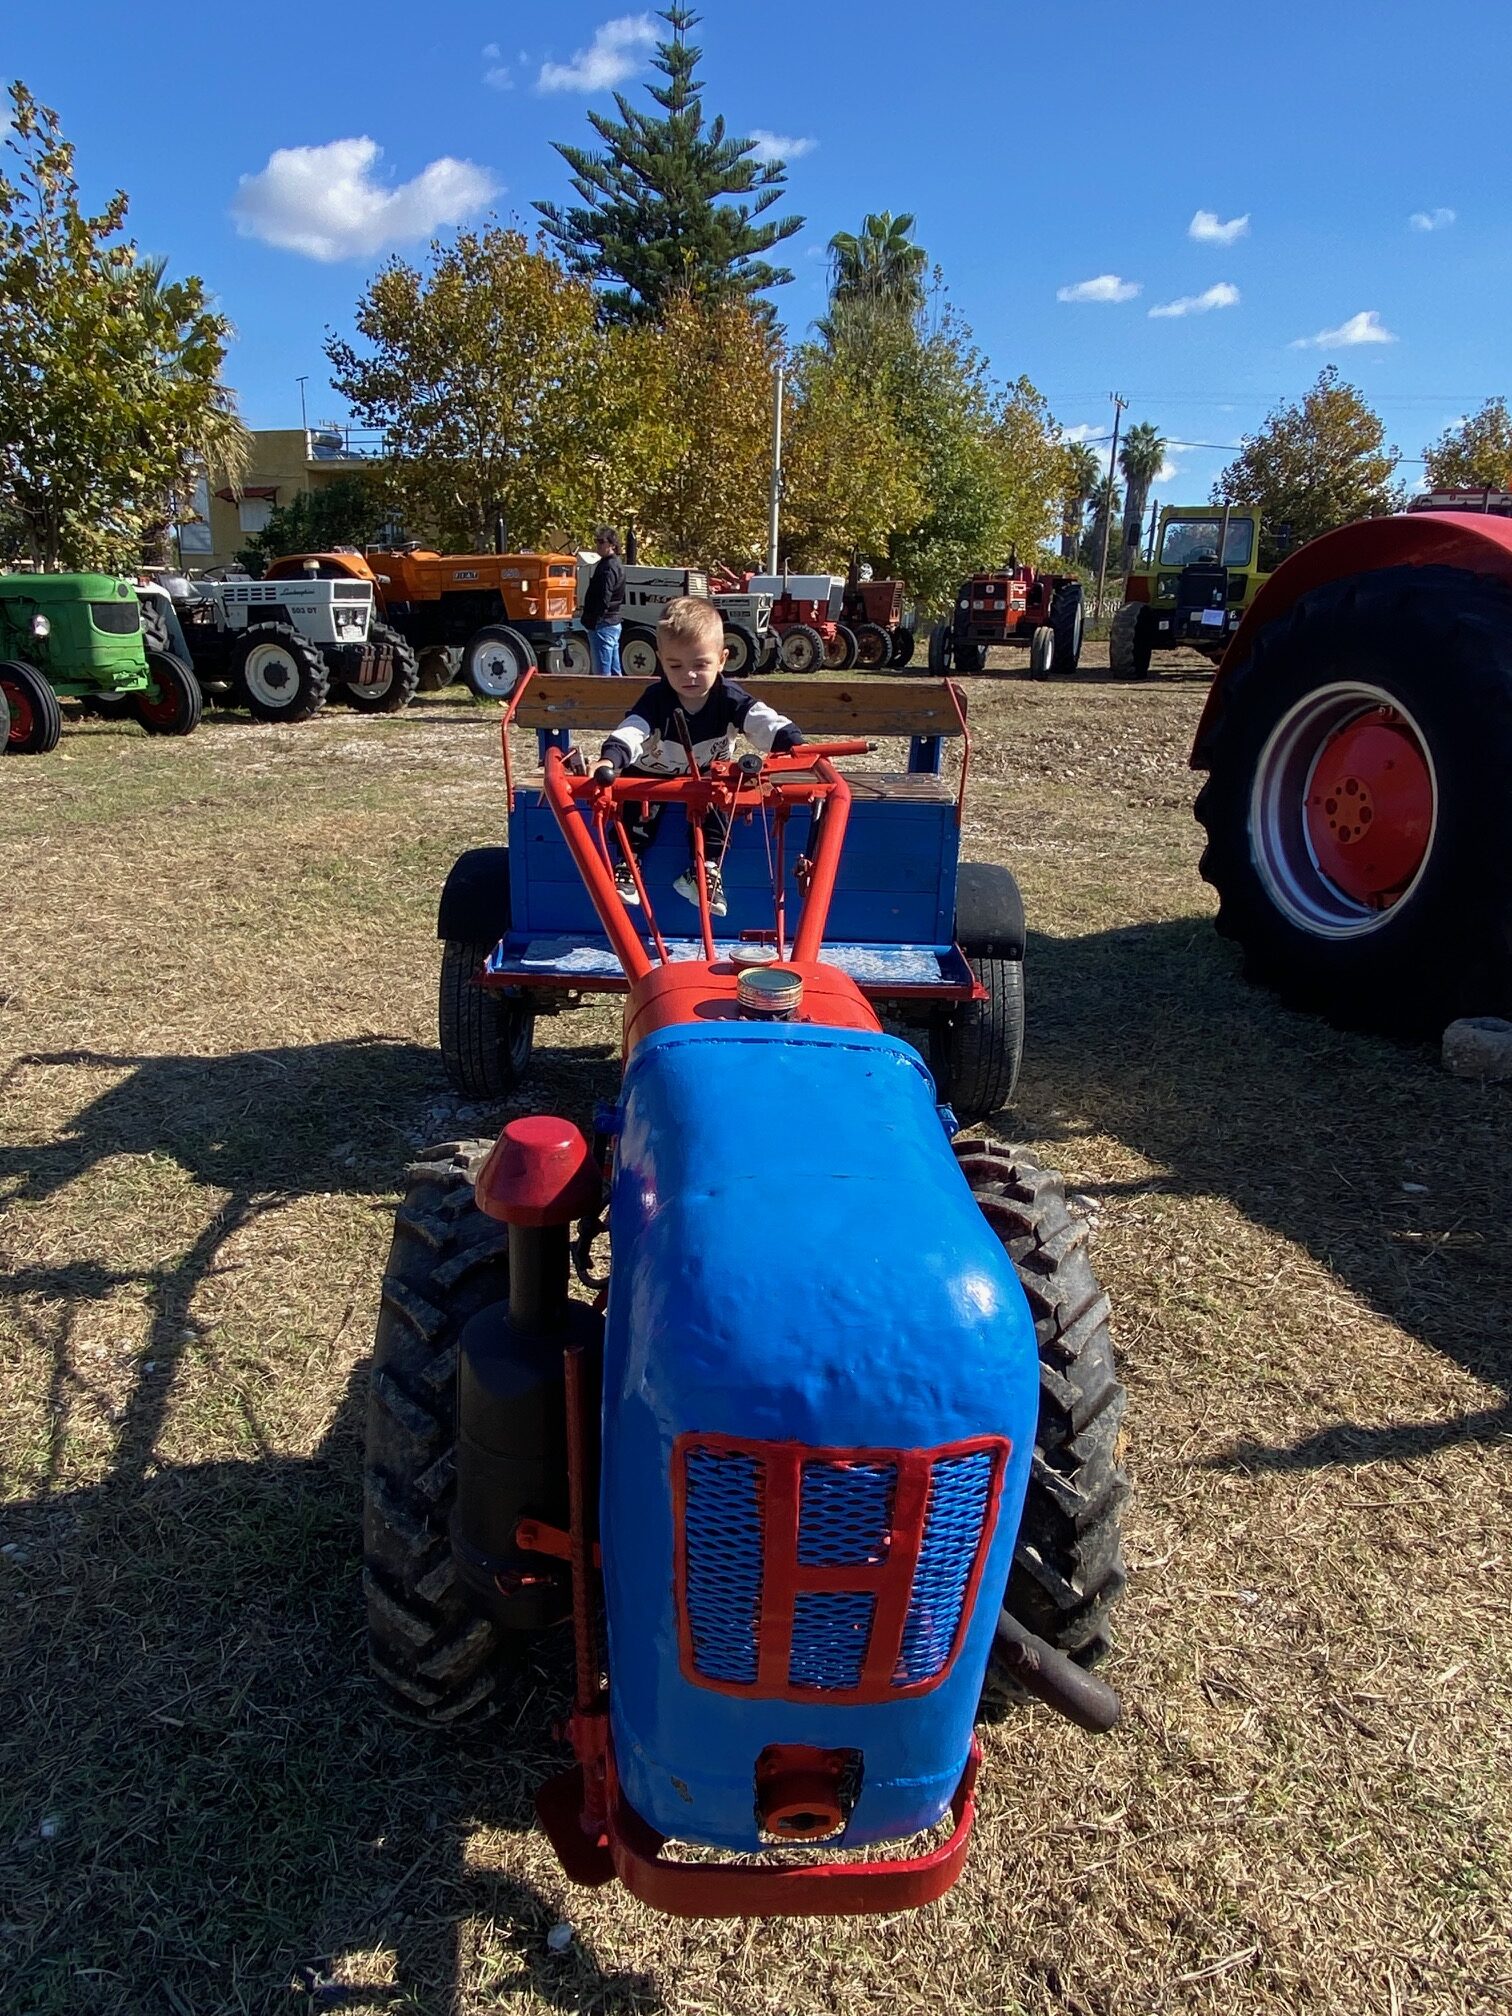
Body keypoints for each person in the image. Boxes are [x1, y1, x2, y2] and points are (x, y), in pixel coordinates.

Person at [592, 595, 804, 918]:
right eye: (675, 665)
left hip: (705, 776)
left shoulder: (729, 699)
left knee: (722, 809)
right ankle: (628, 861)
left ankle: (705, 869)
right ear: (661, 660)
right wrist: (611, 759)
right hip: (653, 774)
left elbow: (763, 722)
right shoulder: (656, 701)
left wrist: (793, 744)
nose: (688, 675)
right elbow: (632, 731)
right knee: (635, 810)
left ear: (722, 660)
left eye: (700, 665)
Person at [581, 525, 625, 677]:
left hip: (604, 625)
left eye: (601, 542)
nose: (597, 545)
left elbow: (604, 597)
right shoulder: (615, 563)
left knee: (602, 675)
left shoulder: (608, 567)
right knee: (614, 672)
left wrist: (594, 620)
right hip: (612, 622)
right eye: (596, 541)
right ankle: (620, 699)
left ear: (612, 544)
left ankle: (607, 700)